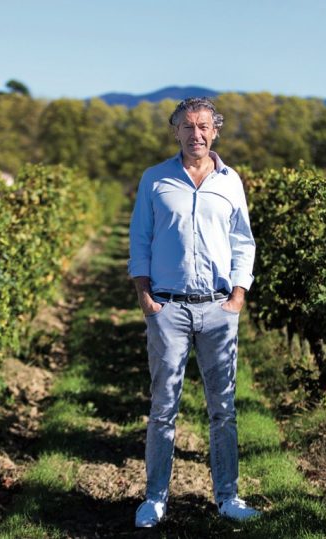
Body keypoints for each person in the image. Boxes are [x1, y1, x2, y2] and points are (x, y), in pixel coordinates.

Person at [128, 97, 259, 528]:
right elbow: (140, 241)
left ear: (215, 131)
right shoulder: (155, 179)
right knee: (164, 406)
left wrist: (237, 296)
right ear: (176, 131)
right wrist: (145, 296)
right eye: (187, 126)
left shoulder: (230, 181)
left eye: (203, 126)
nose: (196, 134)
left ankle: (228, 497)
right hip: (168, 309)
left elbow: (244, 242)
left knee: (223, 409)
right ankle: (155, 499)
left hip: (218, 310)